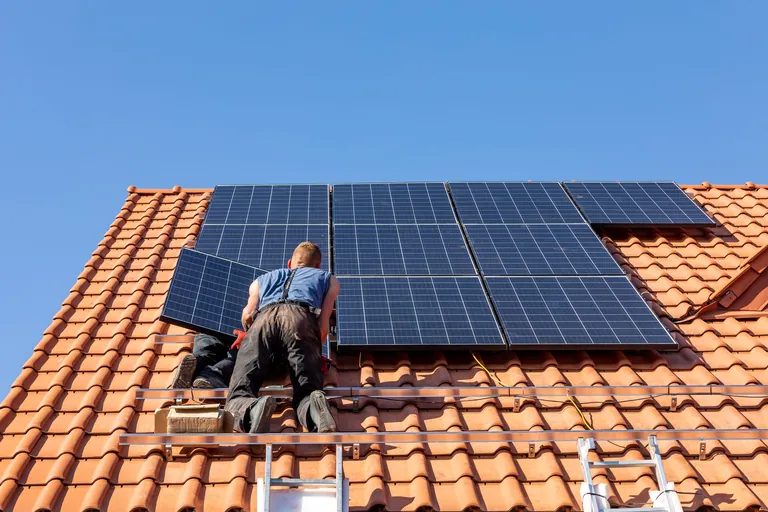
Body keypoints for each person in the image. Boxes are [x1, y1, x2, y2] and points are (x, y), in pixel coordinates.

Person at [224, 241, 340, 434]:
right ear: (318, 265)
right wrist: (307, 354)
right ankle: (316, 410)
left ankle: (251, 409)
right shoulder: (328, 279)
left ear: (289, 263)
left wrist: (257, 345)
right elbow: (322, 328)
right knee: (305, 390)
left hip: (263, 319)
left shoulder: (261, 280)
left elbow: (246, 314)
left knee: (240, 389)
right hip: (301, 317)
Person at [169, 333, 237, 390]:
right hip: (238, 333)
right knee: (238, 354)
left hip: (213, 328)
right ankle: (209, 376)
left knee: (209, 339)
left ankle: (197, 361)